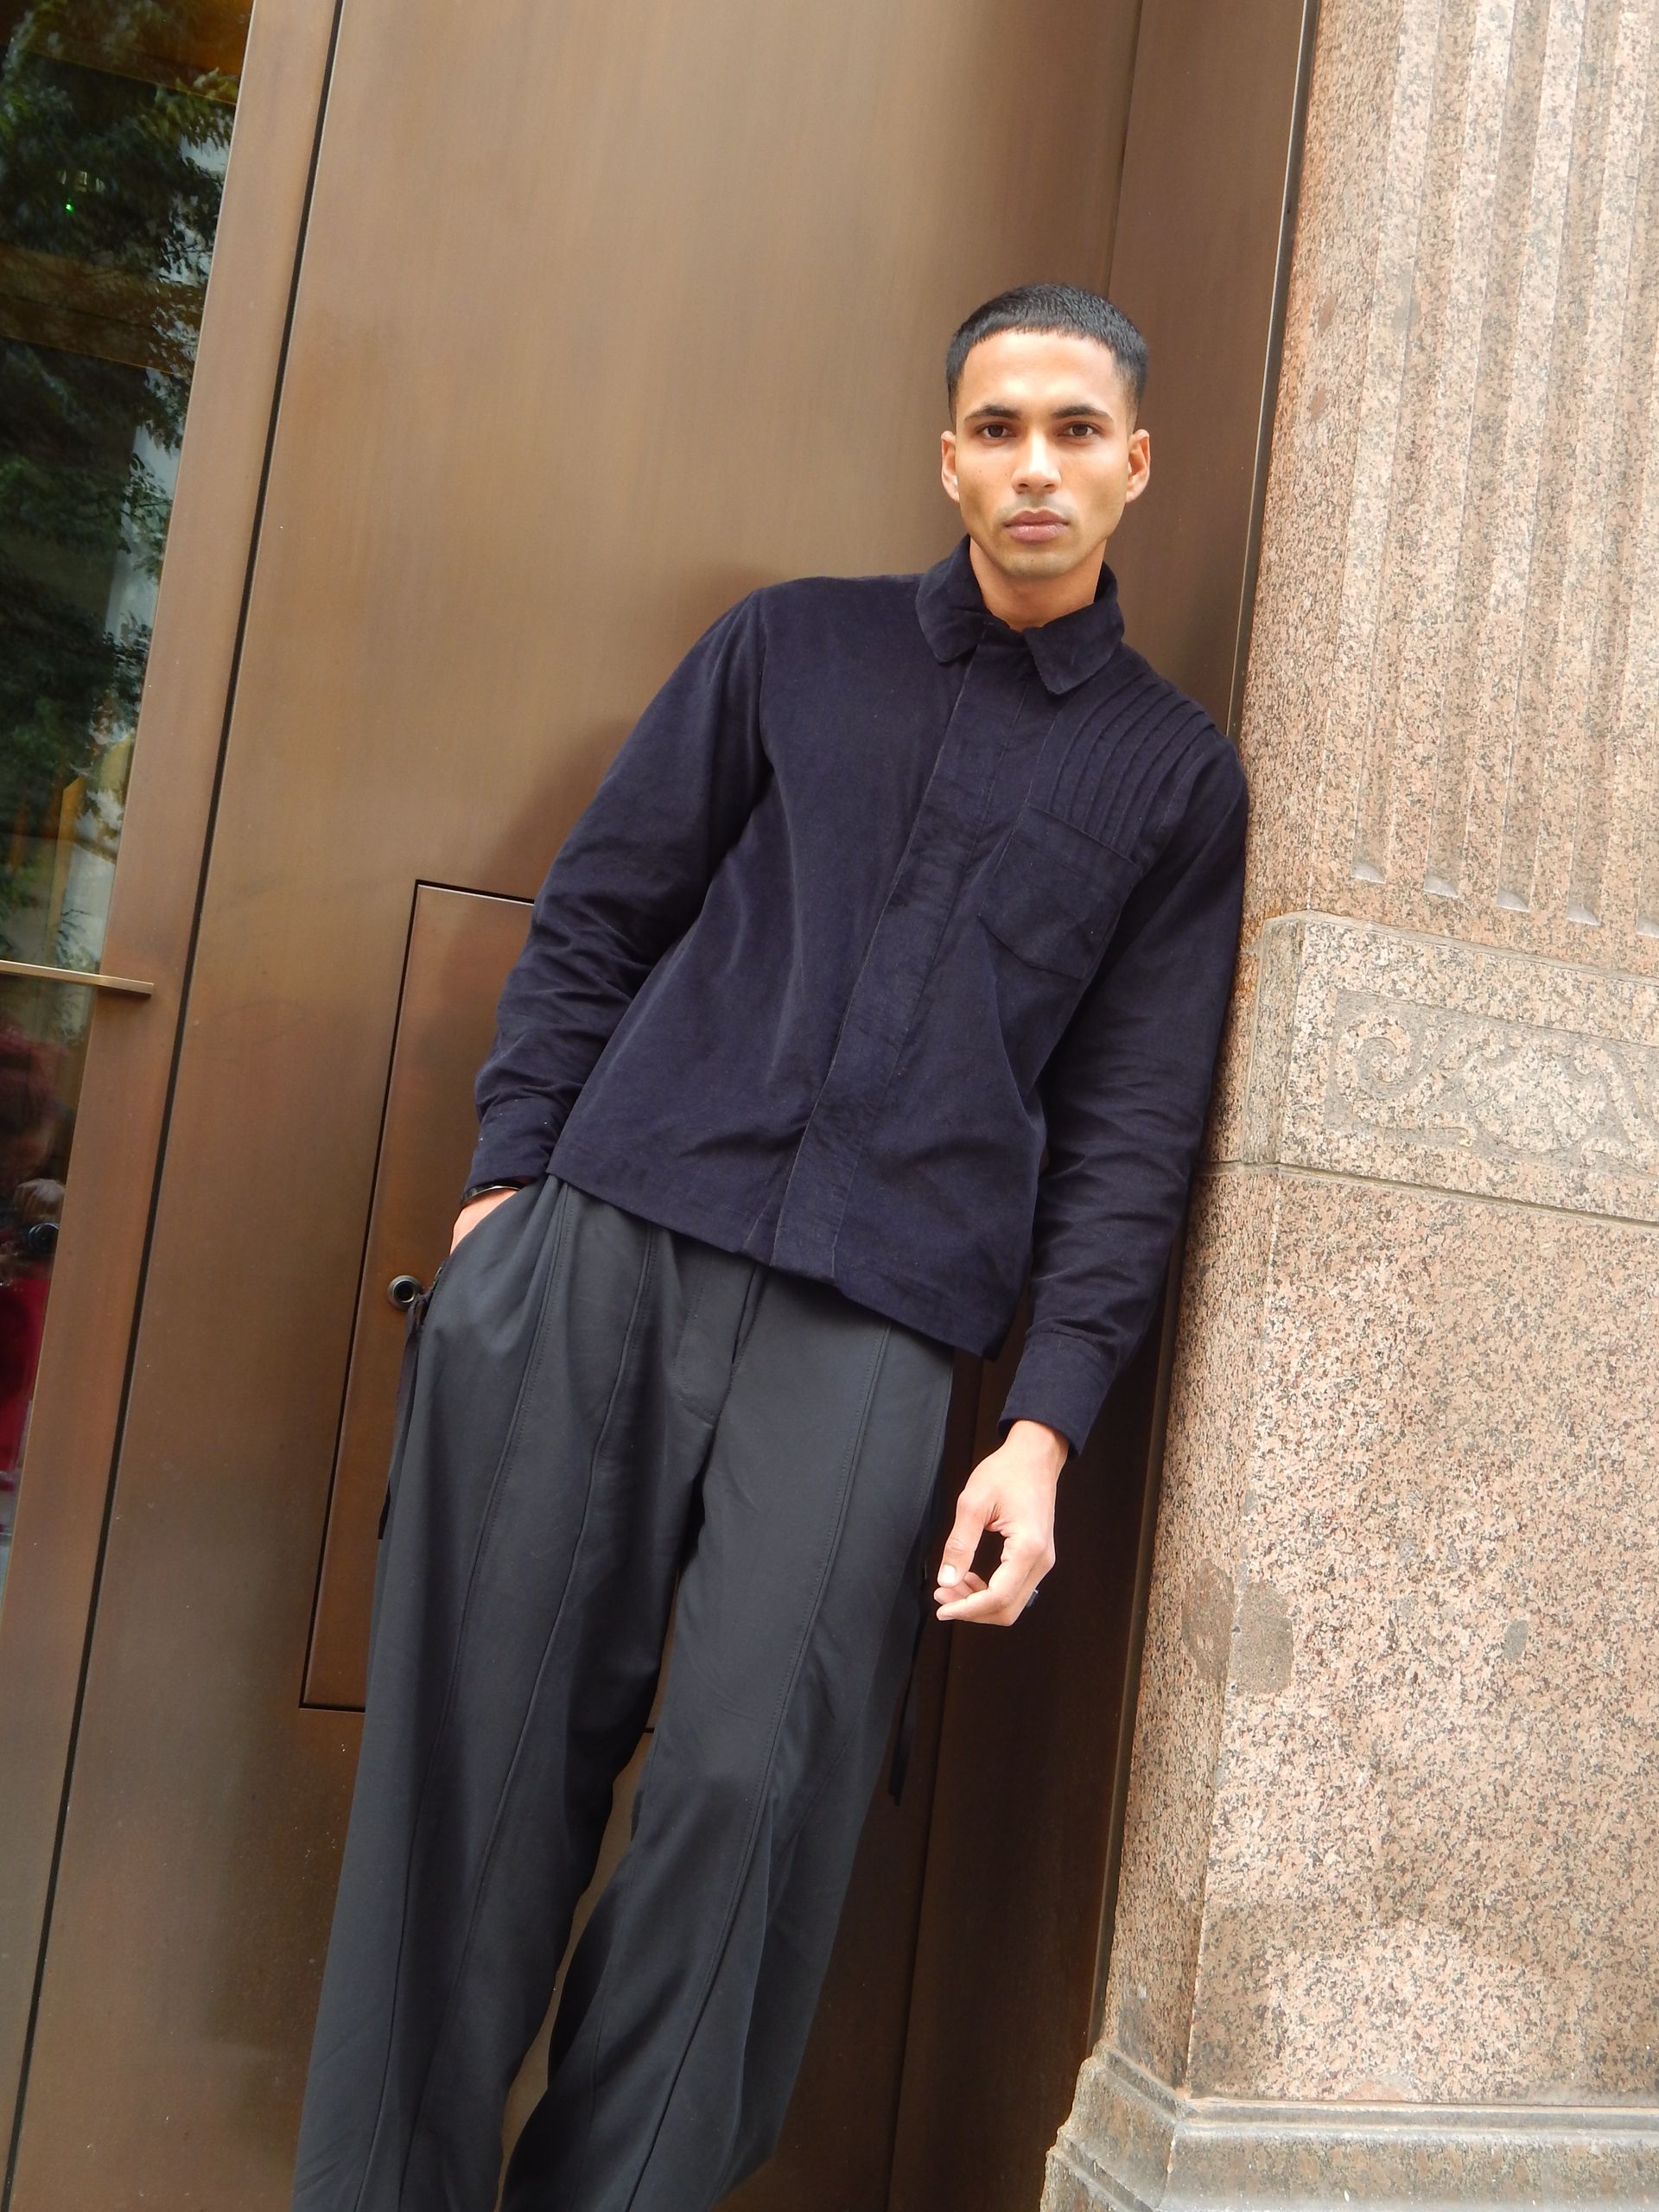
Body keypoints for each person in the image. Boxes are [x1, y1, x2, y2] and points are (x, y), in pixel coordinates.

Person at [290, 282, 1248, 2212]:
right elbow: (599, 914)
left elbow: (1136, 1132)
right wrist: (503, 1200)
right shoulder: (788, 647)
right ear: (948, 457)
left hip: (873, 1329)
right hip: (607, 1246)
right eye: (999, 427)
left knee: (754, 1792)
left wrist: (1044, 1427)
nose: (1036, 465)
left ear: (1137, 464)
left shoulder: (1174, 780)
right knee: (480, 1770)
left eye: (1075, 430)